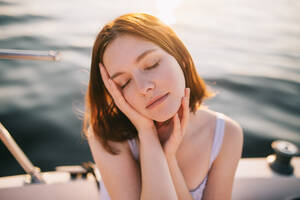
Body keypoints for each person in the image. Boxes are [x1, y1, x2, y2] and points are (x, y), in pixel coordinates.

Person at [83, 12, 243, 200]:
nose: (144, 87)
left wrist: (169, 161)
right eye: (124, 82)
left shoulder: (225, 134)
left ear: (180, 57)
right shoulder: (108, 136)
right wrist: (147, 133)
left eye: (152, 64)